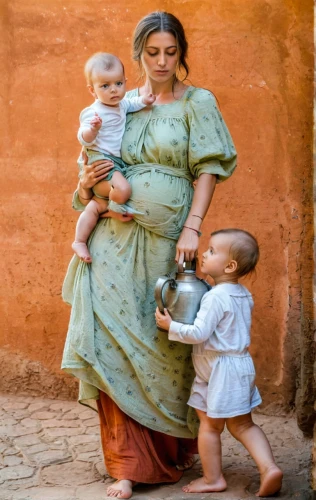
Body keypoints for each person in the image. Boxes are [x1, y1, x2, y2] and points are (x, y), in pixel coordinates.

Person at [62, 11, 237, 499]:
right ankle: (128, 464)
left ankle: (174, 448)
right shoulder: (120, 103)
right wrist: (86, 183)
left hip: (166, 240)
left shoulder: (197, 103)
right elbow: (95, 160)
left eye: (171, 52)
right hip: (113, 242)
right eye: (152, 52)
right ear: (138, 52)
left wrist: (193, 228)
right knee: (115, 340)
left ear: (181, 52)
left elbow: (208, 170)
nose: (161, 62)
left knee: (163, 343)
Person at [155, 229, 283, 497]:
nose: (204, 252)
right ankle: (269, 467)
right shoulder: (243, 294)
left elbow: (199, 334)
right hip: (239, 365)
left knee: (210, 426)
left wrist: (171, 325)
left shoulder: (214, 297)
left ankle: (213, 478)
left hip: (218, 370)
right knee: (244, 424)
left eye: (212, 251)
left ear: (230, 265)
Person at [73, 52, 155, 263]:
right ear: (92, 90)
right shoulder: (94, 113)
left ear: (125, 82)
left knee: (95, 206)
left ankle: (80, 240)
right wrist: (93, 130)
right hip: (101, 158)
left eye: (118, 83)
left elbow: (134, 103)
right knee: (123, 190)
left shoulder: (122, 104)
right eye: (105, 86)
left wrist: (145, 100)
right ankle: (113, 209)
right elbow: (83, 137)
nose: (113, 90)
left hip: (114, 161)